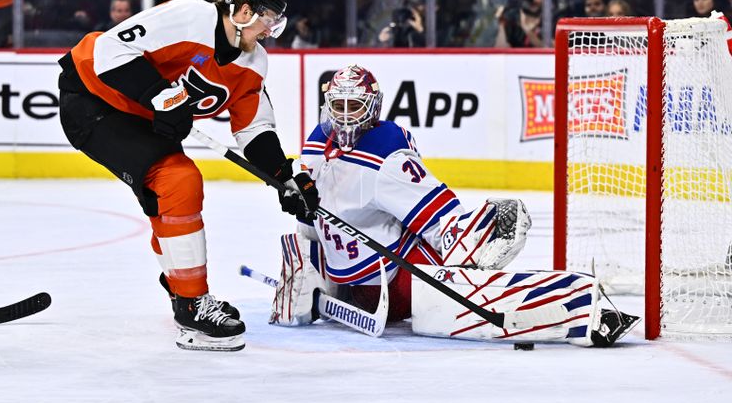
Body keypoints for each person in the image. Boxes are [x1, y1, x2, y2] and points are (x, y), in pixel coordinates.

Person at [268, 64, 639, 348]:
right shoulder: (386, 150)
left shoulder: (315, 142)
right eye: (339, 105)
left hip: (353, 288)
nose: (346, 115)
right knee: (477, 240)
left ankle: (306, 281)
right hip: (397, 287)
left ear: (371, 105)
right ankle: (577, 310)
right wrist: (477, 238)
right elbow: (442, 223)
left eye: (354, 105)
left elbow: (311, 221)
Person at [56, 0, 320, 351]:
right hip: (94, 100)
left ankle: (182, 286)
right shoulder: (191, 17)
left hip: (143, 120)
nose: (269, 31)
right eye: (268, 20)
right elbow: (108, 51)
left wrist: (284, 176)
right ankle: (192, 304)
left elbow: (253, 129)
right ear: (243, 11)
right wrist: (161, 96)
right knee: (178, 180)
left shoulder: (252, 62)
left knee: (165, 196)